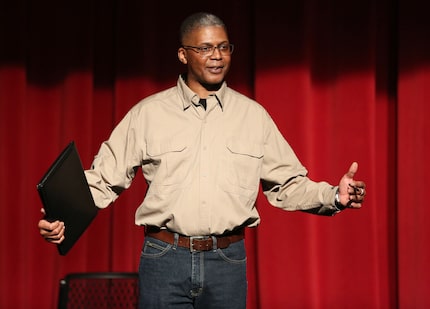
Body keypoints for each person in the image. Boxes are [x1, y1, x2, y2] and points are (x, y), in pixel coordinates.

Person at [38, 12, 366, 309]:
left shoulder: (253, 117)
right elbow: (103, 179)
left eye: (224, 48)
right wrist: (62, 215)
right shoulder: (148, 114)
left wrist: (333, 196)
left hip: (227, 261)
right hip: (164, 258)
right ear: (183, 54)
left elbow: (288, 184)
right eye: (206, 48)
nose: (217, 57)